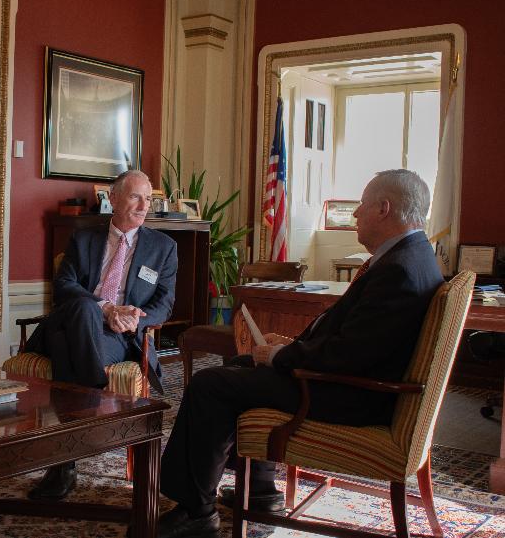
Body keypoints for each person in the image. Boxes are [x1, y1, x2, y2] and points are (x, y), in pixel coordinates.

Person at [155, 169, 443, 538]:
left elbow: (347, 355)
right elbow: (358, 342)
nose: (355, 214)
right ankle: (259, 490)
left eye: (362, 206)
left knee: (211, 383)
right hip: (358, 383)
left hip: (350, 394)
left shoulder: (399, 270)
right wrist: (289, 349)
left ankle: (196, 511)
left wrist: (282, 357)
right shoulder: (415, 257)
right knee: (241, 364)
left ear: (385, 209)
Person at [24, 169, 178, 500]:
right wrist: (105, 308)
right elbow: (63, 288)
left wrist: (135, 318)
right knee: (83, 309)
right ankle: (93, 403)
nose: (143, 206)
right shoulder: (83, 238)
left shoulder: (163, 248)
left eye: (147, 199)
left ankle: (65, 462)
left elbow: (164, 305)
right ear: (114, 198)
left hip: (118, 338)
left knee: (67, 341)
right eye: (136, 196)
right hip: (82, 321)